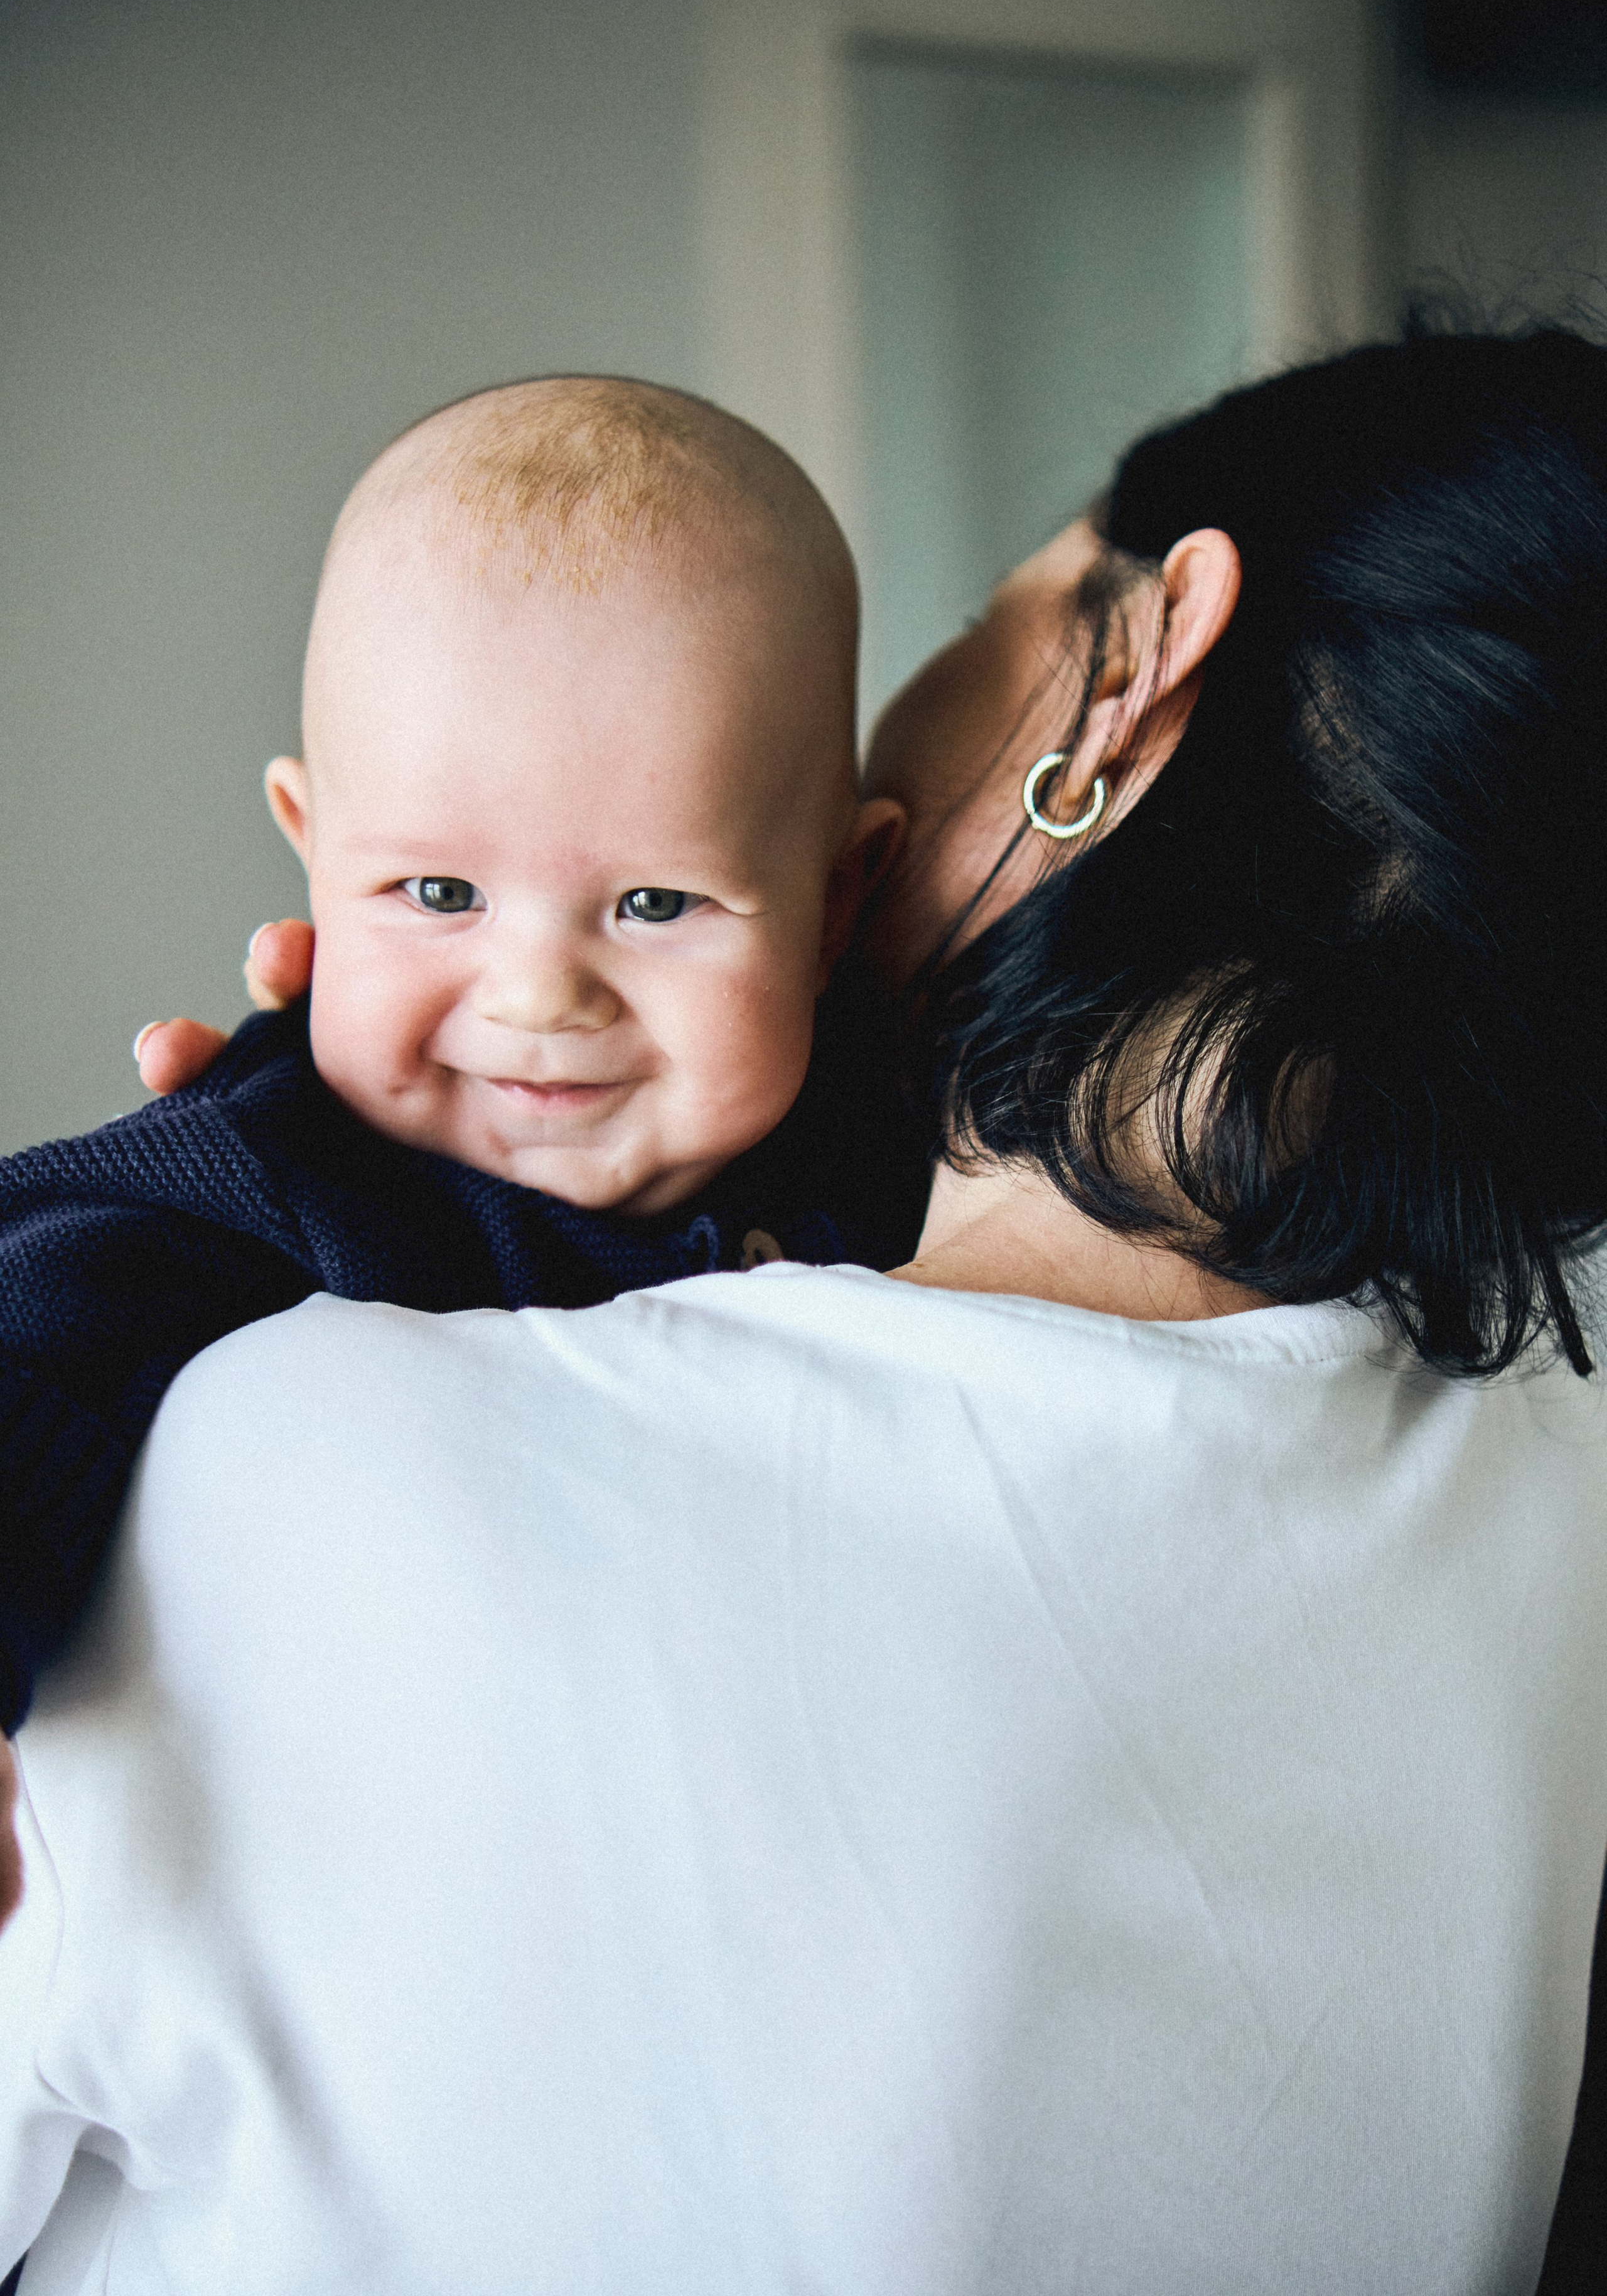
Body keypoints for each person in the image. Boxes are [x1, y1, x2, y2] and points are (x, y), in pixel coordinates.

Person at [4, 325, 1606, 2291]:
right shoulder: (1551, 1491)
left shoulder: (283, 1457)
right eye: (437, 894)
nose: (540, 994)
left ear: (1130, 667)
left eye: (993, 608)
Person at [0, 375, 920, 1738]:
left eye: (653, 905)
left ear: (837, 901)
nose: (539, 995)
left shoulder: (921, 1140)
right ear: (312, 853)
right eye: (437, 895)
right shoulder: (275, 1164)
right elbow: (26, 1327)